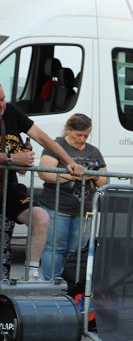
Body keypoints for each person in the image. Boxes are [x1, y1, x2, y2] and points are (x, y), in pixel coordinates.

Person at [0, 83, 86, 281]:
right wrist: (11, 159)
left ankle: (31, 274)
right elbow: (12, 159)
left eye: (3, 99)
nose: (2, 105)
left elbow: (42, 138)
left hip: (7, 190)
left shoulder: (10, 111)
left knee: (41, 217)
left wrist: (70, 162)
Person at [38, 113, 108, 280]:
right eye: (79, 135)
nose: (82, 139)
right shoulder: (57, 146)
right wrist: (73, 176)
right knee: (54, 248)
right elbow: (45, 174)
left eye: (86, 135)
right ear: (68, 130)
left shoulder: (93, 151)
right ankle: (51, 284)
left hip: (84, 210)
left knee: (76, 250)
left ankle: (70, 284)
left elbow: (104, 180)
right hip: (57, 206)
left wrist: (94, 176)